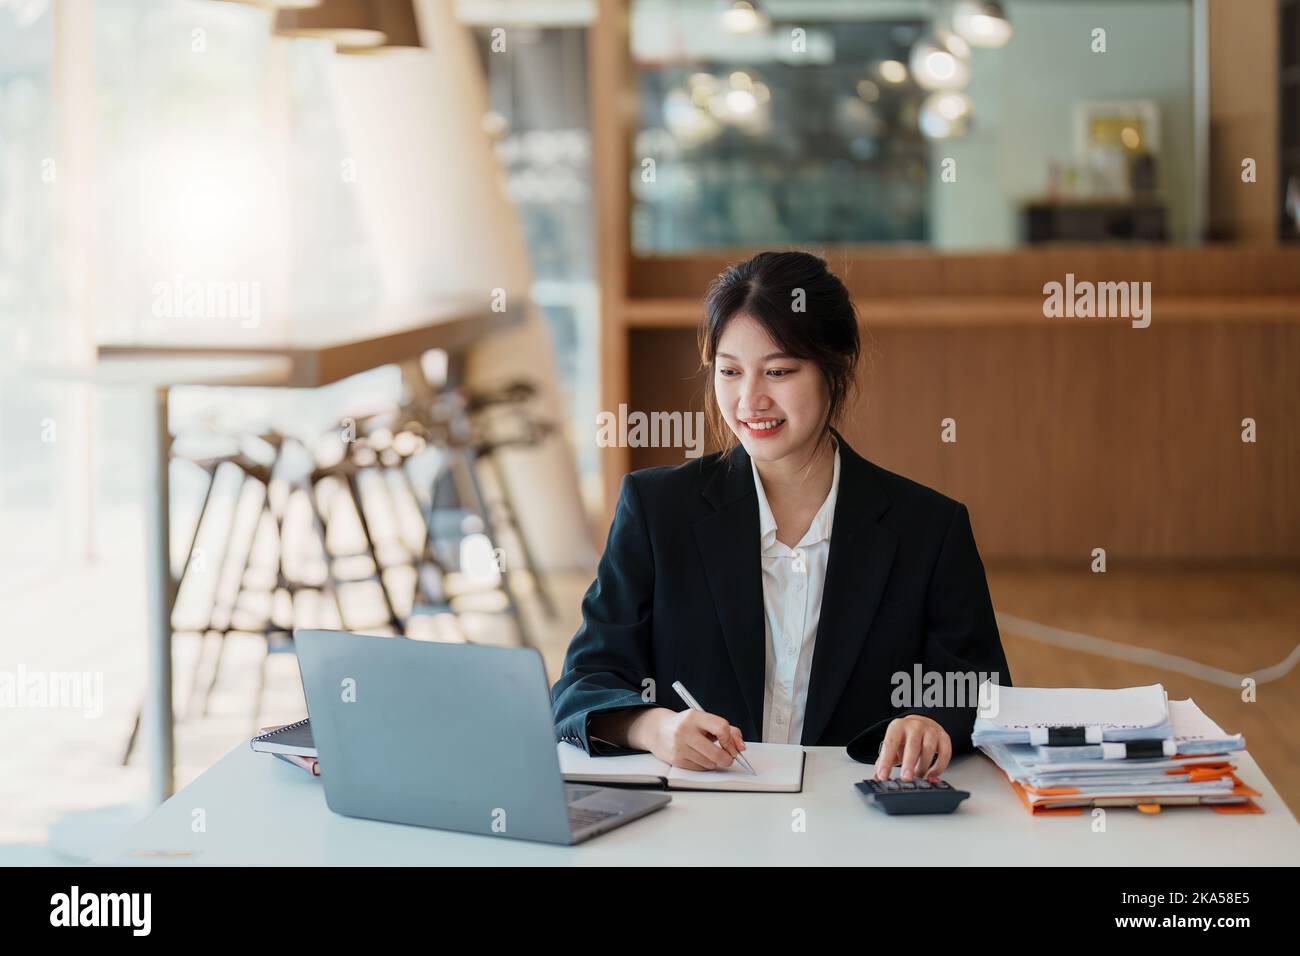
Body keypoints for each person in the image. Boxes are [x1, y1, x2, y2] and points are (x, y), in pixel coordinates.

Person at [551, 250, 1011, 781]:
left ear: (837, 368)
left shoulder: (928, 529)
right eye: (730, 371)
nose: (750, 400)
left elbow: (982, 691)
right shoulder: (657, 510)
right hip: (699, 820)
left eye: (778, 371)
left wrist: (930, 722)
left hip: (860, 820)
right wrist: (653, 727)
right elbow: (583, 681)